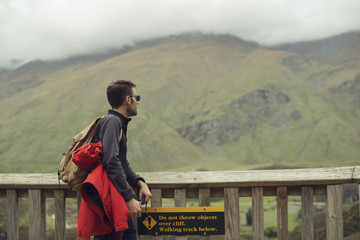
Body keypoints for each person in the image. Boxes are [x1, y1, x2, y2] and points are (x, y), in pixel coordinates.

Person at [92, 80, 152, 239]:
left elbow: (122, 163)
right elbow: (111, 161)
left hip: (116, 201)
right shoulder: (112, 122)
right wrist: (129, 198)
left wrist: (140, 182)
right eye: (136, 97)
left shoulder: (117, 122)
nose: (137, 101)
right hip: (109, 202)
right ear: (128, 99)